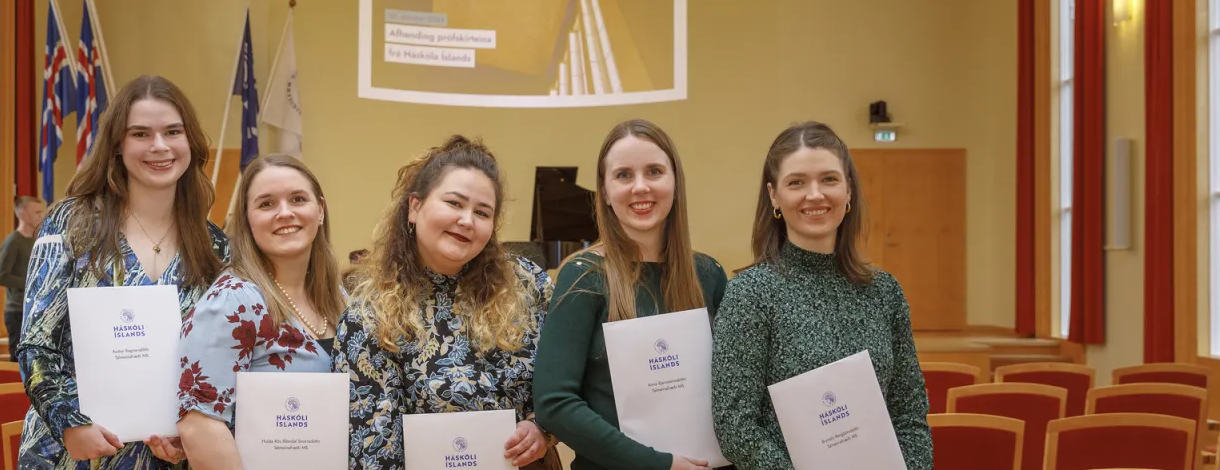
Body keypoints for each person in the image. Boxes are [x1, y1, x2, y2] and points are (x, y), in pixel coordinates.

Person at [17, 75, 231, 470]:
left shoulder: (215, 245)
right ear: (117, 144)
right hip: (70, 452)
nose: (160, 146)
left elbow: (217, 360)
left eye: (173, 132)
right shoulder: (71, 222)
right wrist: (69, 424)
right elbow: (36, 343)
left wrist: (192, 432)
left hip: (166, 458)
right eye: (140, 134)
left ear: (191, 142)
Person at [711, 121, 932, 469]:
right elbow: (736, 426)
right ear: (774, 196)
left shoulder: (884, 292)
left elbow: (910, 415)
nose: (815, 195)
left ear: (848, 192)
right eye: (796, 182)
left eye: (829, 179)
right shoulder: (750, 294)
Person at [335, 135, 555, 470]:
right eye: (454, 203)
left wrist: (543, 427)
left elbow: (572, 378)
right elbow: (373, 445)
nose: (467, 220)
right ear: (415, 206)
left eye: (482, 212)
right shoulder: (369, 315)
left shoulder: (528, 283)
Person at [533, 119, 730, 470]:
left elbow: (733, 389)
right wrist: (661, 465)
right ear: (605, 192)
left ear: (674, 182)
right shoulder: (583, 277)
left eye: (654, 171)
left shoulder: (710, 275)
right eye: (623, 175)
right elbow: (555, 404)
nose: (640, 187)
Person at [175, 154, 346, 469]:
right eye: (266, 204)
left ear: (319, 210)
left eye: (298, 199)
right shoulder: (232, 301)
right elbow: (199, 426)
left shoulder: (339, 299)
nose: (285, 213)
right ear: (247, 219)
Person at [0, 195, 45, 362]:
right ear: (24, 214)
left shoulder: (37, 241)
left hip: (35, 309)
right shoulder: (13, 242)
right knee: (19, 362)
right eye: (37, 212)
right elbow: (2, 276)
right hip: (18, 311)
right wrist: (32, 282)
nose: (41, 216)